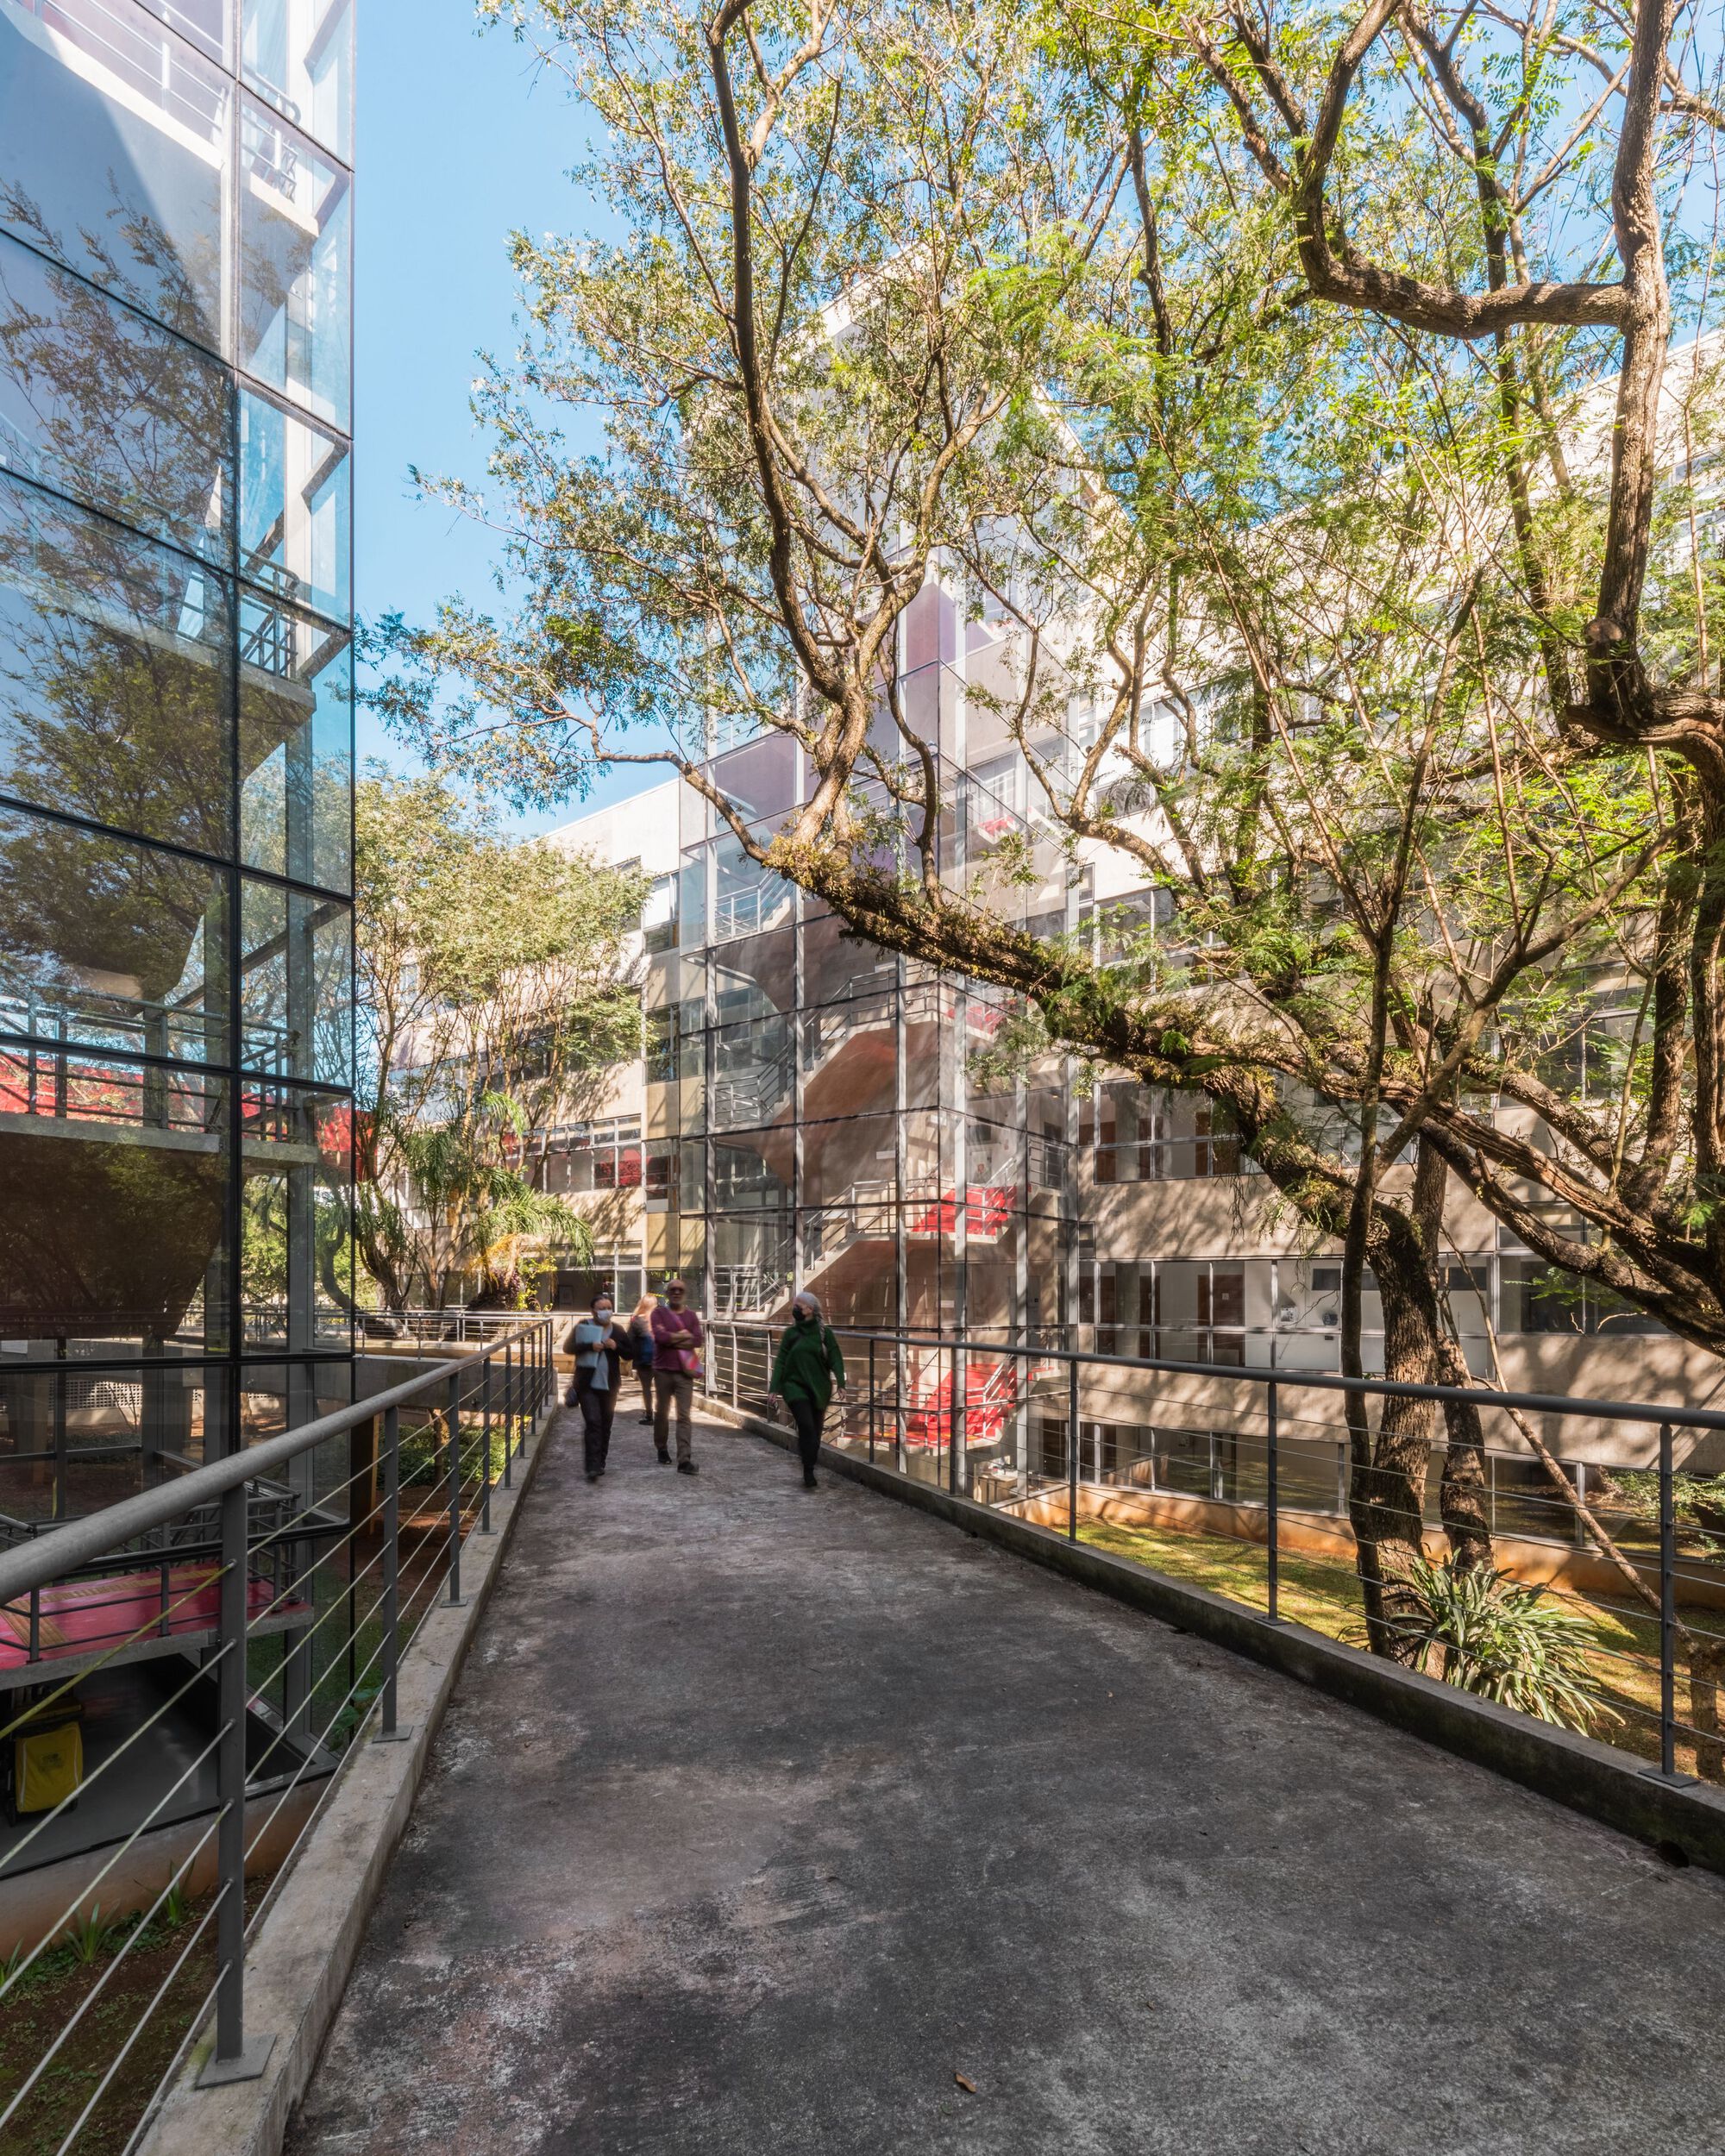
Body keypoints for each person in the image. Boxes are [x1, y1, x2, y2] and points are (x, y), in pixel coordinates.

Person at [769, 1292, 845, 1489]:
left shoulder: (824, 1334)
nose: (794, 1310)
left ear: (810, 1310)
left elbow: (835, 1358)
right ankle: (808, 1470)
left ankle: (809, 1464)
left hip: (819, 1388)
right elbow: (781, 1362)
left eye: (798, 1307)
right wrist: (774, 1388)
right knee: (806, 1426)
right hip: (794, 1387)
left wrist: (841, 1382)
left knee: (816, 1431)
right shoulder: (791, 1334)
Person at [568, 1293, 629, 1482]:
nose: (606, 1312)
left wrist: (616, 1346)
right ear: (593, 1311)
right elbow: (568, 1348)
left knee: (605, 1424)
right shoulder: (583, 1326)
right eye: (602, 1308)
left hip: (609, 1385)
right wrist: (589, 1346)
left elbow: (630, 1353)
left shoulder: (618, 1330)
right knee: (593, 1422)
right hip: (587, 1385)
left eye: (608, 1308)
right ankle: (592, 1466)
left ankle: (601, 1461)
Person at [649, 1279, 704, 1474]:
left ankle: (684, 1460)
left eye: (680, 1289)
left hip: (684, 1373)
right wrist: (684, 1336)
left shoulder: (691, 1316)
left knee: (684, 1416)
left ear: (685, 1292)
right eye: (673, 1289)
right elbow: (660, 1337)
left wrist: (673, 1337)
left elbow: (698, 1339)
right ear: (667, 1293)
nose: (676, 1292)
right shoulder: (658, 1313)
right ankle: (662, 1448)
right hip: (663, 1370)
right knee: (662, 1413)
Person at [627, 1293, 658, 1424]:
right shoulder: (660, 1320)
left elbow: (629, 1340)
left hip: (643, 1360)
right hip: (660, 1360)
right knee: (662, 1388)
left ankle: (649, 1415)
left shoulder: (636, 1320)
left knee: (646, 1388)